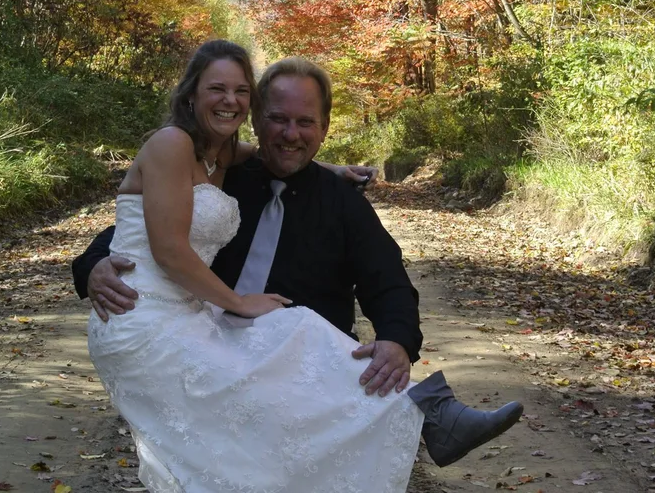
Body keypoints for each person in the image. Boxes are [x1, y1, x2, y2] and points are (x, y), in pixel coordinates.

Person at [75, 42, 523, 492]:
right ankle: (433, 414)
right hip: (207, 333)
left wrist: (396, 340)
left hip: (294, 366)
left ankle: (434, 414)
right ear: (257, 119)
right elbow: (138, 237)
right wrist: (94, 267)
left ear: (324, 128)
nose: (291, 134)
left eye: (305, 123)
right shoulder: (219, 170)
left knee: (300, 329)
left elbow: (387, 280)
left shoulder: (340, 202)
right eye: (279, 120)